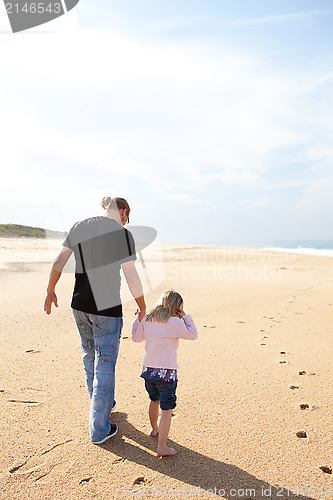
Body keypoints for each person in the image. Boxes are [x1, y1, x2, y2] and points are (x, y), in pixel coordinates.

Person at [44, 196, 146, 444]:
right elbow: (131, 275)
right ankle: (99, 429)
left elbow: (59, 261)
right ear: (122, 211)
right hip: (107, 309)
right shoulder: (122, 235)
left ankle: (102, 404)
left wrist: (50, 290)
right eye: (126, 217)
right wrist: (142, 306)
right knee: (105, 365)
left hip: (79, 305)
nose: (125, 222)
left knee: (90, 357)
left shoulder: (80, 226)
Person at [132, 290, 197, 457]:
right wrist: (185, 316)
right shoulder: (175, 321)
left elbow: (136, 338)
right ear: (177, 307)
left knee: (154, 400)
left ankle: (154, 429)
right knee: (167, 410)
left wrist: (137, 320)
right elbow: (193, 334)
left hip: (148, 371)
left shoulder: (148, 319)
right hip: (166, 373)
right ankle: (162, 447)